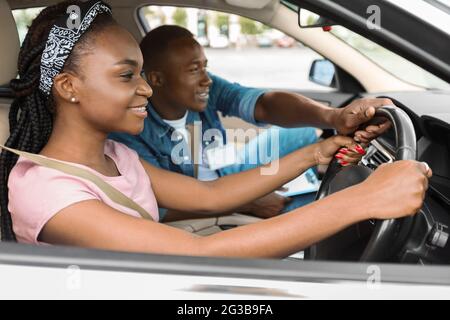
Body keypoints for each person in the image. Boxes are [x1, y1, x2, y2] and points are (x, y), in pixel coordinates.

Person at [0, 0, 431, 259]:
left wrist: (318, 153)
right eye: (126, 76)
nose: (147, 89)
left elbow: (211, 196)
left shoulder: (115, 157)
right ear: (68, 87)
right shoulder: (48, 192)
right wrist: (364, 199)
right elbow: (197, 254)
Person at [109, 25, 393, 221]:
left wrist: (333, 116)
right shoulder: (133, 131)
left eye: (205, 66)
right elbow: (162, 209)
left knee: (305, 133)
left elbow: (263, 104)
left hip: (225, 167)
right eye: (194, 70)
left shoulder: (204, 89)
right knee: (305, 203)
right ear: (157, 79)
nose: (207, 79)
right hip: (199, 197)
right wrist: (250, 203)